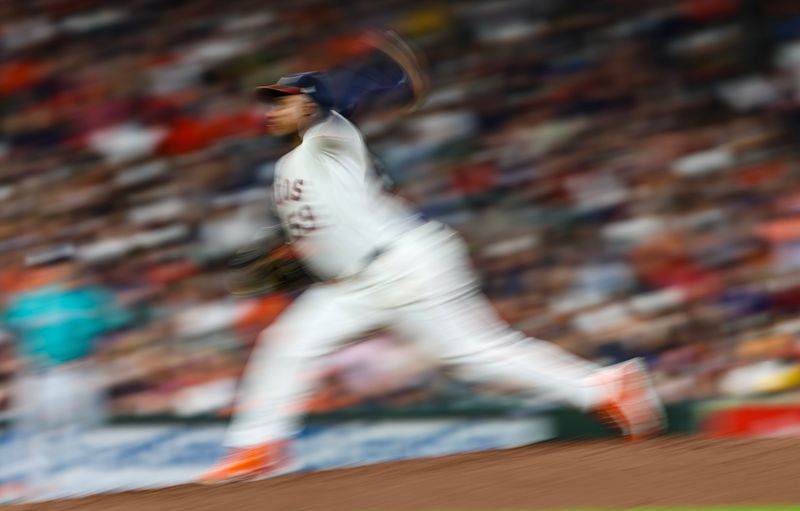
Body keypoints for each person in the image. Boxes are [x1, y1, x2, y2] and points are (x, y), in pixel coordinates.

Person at [199, 34, 665, 484]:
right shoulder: (290, 166)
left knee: (474, 355)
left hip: (404, 265)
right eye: (273, 101)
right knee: (287, 344)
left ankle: (608, 386)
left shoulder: (329, 137)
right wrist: (295, 262)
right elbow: (325, 235)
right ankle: (257, 448)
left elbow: (339, 104)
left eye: (284, 100)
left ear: (309, 105)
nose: (273, 109)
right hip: (353, 284)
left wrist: (370, 76)